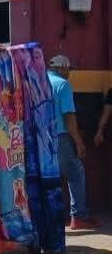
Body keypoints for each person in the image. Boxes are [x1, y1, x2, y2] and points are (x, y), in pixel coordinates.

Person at [47, 55, 100, 230]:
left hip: (40, 137)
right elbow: (69, 116)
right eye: (69, 69)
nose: (69, 73)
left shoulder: (39, 81)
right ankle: (78, 216)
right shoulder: (63, 85)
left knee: (47, 178)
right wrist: (78, 142)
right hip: (60, 137)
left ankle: (49, 218)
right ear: (62, 68)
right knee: (75, 173)